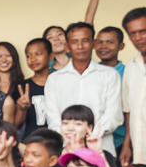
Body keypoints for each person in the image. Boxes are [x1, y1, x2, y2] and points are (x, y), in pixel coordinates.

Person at [45, 22, 123, 155]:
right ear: (67, 46)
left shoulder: (110, 75)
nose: (80, 46)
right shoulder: (54, 79)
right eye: (74, 42)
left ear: (93, 43)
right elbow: (53, 119)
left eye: (85, 41)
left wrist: (90, 135)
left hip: (101, 148)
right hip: (67, 149)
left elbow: (113, 115)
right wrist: (72, 138)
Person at [120, 7, 146, 167]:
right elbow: (128, 110)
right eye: (132, 33)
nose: (138, 38)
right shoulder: (131, 66)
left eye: (143, 31)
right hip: (141, 154)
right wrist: (127, 145)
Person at [18, 37, 53, 136]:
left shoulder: (61, 82)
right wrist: (22, 109)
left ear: (51, 56)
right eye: (28, 56)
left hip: (58, 141)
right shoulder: (22, 87)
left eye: (38, 54)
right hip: (32, 141)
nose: (33, 59)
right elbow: (16, 125)